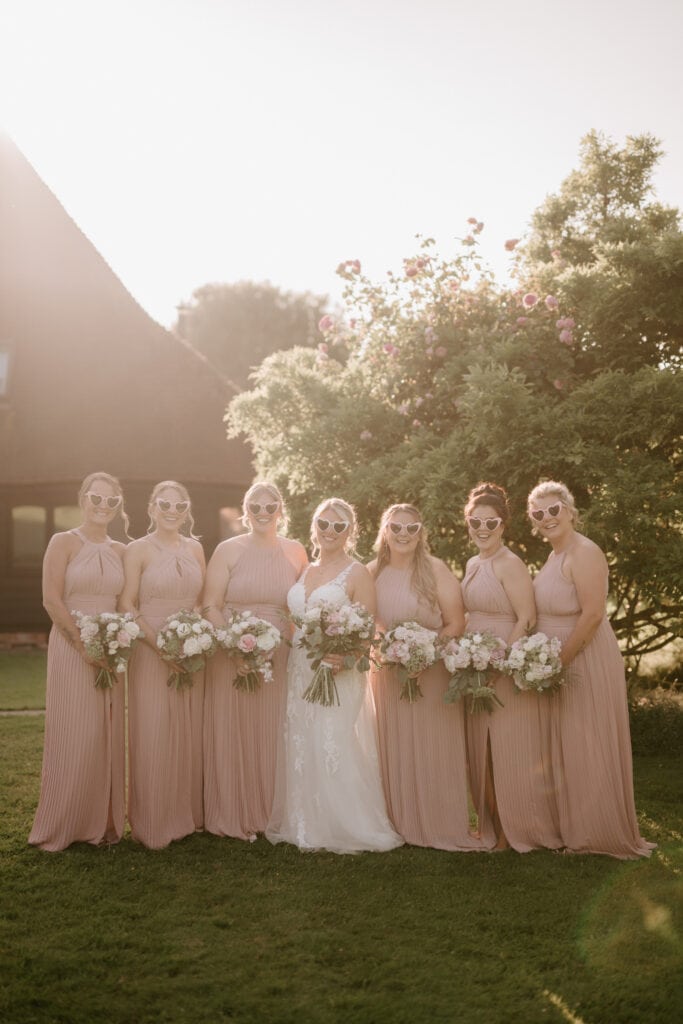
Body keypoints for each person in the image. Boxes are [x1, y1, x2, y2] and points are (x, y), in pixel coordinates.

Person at [266, 497, 403, 854]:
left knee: (333, 741)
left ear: (350, 532)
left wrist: (344, 655)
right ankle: (306, 822)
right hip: (301, 667)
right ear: (314, 527)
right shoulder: (306, 570)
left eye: (338, 526)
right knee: (303, 740)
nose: (330, 531)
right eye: (324, 524)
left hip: (338, 670)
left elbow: (368, 627)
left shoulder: (357, 573)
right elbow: (296, 618)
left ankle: (347, 825)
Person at [528, 480, 655, 858]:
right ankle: (574, 828)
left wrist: (558, 663)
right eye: (539, 513)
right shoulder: (555, 555)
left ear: (569, 510)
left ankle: (596, 834)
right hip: (561, 658)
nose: (547, 518)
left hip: (585, 656)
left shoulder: (584, 552)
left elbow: (594, 614)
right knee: (568, 743)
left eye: (554, 510)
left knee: (588, 742)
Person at [368, 503, 487, 851]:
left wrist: (425, 652)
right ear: (385, 531)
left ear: (422, 533)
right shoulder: (371, 572)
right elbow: (367, 624)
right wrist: (390, 651)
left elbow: (455, 622)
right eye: (396, 527)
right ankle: (397, 822)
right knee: (393, 747)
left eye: (412, 528)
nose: (404, 534)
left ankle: (439, 822)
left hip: (431, 675)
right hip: (388, 675)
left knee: (433, 747)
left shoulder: (435, 570)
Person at [202, 482, 308, 840]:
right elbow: (211, 605)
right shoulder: (227, 550)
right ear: (245, 511)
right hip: (232, 654)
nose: (263, 512)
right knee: (233, 729)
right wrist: (233, 644)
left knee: (274, 731)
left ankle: (272, 812)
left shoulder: (296, 552)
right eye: (256, 506)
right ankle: (233, 811)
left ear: (281, 510)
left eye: (270, 506)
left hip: (279, 655)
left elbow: (303, 608)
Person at [29, 472, 128, 851]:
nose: (102, 506)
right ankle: (64, 824)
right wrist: (83, 644)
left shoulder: (122, 550)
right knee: (74, 731)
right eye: (96, 498)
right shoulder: (63, 542)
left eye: (111, 501)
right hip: (72, 648)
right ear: (82, 499)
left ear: (118, 506)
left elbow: (125, 604)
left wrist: (118, 640)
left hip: (111, 649)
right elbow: (51, 600)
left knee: (105, 733)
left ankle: (102, 824)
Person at [462, 482, 562, 852]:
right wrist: (470, 655)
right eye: (476, 521)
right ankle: (492, 825)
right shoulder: (474, 563)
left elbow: (527, 617)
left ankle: (516, 829)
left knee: (507, 746)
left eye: (492, 522)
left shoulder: (510, 563)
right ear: (468, 523)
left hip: (502, 665)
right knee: (481, 748)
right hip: (473, 665)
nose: (483, 528)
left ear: (503, 524)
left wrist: (501, 661)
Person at [119, 481, 206, 849]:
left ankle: (184, 818)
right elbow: (126, 603)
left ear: (187, 511)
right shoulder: (137, 550)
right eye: (165, 504)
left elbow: (202, 601)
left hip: (190, 652)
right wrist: (160, 646)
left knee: (186, 732)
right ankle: (152, 822)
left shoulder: (197, 548)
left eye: (180, 505)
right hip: (151, 648)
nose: (173, 511)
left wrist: (193, 639)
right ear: (152, 508)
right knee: (153, 731)